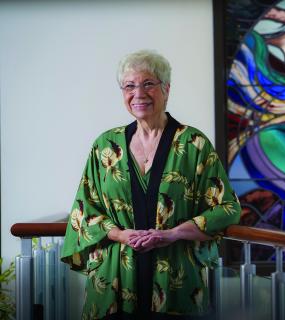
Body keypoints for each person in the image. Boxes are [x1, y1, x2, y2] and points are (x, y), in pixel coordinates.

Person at [61, 49, 241, 319]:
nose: (139, 93)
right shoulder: (105, 146)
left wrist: (174, 233)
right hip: (113, 281)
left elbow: (227, 208)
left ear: (166, 89)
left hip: (176, 281)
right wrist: (120, 234)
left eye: (148, 84)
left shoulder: (195, 144)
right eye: (130, 86)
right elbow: (83, 211)